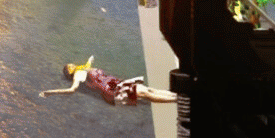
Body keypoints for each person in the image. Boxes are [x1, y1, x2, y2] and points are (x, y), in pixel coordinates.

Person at [41, 57, 177, 107]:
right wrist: (50, 92)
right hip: (112, 89)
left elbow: (89, 69)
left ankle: (176, 95)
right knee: (145, 94)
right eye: (70, 66)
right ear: (70, 71)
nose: (72, 65)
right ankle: (176, 99)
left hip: (114, 83)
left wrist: (90, 60)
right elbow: (72, 90)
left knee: (147, 90)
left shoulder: (82, 70)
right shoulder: (78, 75)